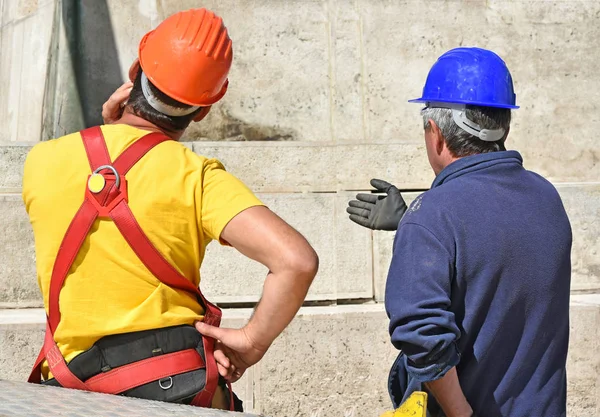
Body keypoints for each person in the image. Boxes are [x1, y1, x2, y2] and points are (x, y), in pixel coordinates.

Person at [23, 8, 318, 411]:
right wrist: (250, 344)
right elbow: (296, 261)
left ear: (134, 71)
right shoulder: (198, 177)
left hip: (75, 388)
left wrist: (107, 127)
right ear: (204, 110)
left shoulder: (42, 162)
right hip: (176, 386)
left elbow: (95, 176)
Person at [347, 47, 572, 417]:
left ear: (435, 133)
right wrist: (414, 227)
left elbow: (422, 334)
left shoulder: (434, 215)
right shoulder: (546, 196)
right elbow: (498, 257)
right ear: (505, 125)